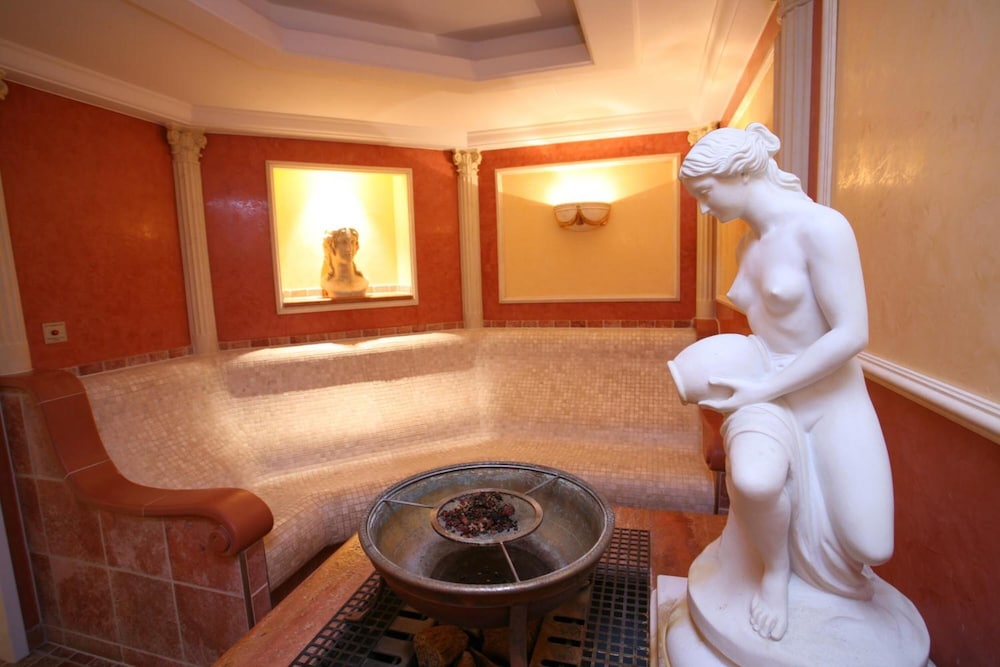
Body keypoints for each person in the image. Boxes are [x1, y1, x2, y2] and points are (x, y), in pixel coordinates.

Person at [677, 123, 895, 641]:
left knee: (872, 544)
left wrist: (763, 389)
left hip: (830, 395)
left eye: (705, 193)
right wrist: (743, 383)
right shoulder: (746, 247)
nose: (704, 209)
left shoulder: (823, 228)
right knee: (755, 480)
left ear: (740, 173)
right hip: (765, 385)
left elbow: (852, 333)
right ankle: (775, 573)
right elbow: (764, 333)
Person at [320, 227, 369, 297]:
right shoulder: (327, 283)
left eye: (352, 242)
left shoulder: (363, 281)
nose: (349, 248)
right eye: (343, 242)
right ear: (331, 247)